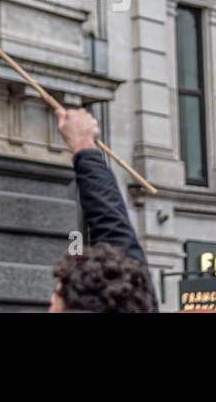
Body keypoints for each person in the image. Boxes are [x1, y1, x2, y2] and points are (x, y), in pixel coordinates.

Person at [49, 108, 158, 313]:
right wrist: (84, 148)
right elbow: (116, 235)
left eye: (57, 295)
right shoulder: (129, 296)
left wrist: (84, 147)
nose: (51, 302)